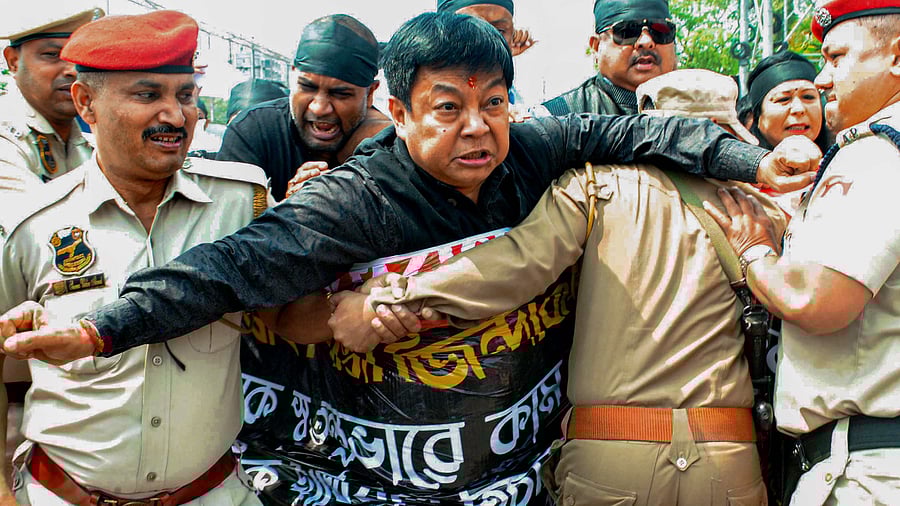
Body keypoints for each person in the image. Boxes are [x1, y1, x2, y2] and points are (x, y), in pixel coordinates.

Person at [2, 11, 816, 503]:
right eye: (448, 108)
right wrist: (102, 330)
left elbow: (636, 130)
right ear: (397, 110)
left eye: (493, 104)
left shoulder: (531, 150)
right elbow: (231, 270)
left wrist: (753, 163)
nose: (477, 130)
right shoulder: (357, 198)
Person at [354, 68, 785, 505]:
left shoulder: (594, 186)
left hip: (611, 455)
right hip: (729, 454)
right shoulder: (765, 208)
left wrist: (398, 295)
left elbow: (514, 266)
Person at [0, 10, 269, 505]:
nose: (175, 115)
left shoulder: (243, 202)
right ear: (87, 103)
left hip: (212, 494)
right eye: (148, 96)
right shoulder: (29, 224)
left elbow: (290, 318)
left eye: (185, 95)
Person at [704, 1, 900, 504]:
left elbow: (816, 299)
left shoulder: (879, 154)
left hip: (867, 472)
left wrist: (755, 253)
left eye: (836, 58)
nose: (825, 78)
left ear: (896, 57)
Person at [216, 14, 392, 201]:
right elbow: (228, 224)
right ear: (293, 77)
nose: (319, 108)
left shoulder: (385, 144)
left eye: (340, 94)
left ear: (370, 94)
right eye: (307, 87)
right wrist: (291, 210)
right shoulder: (254, 130)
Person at [0, 4, 102, 195]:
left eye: (81, 57)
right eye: (52, 55)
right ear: (13, 61)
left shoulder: (91, 143)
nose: (73, 70)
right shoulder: (6, 140)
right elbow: (33, 220)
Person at [539, 0, 677, 116]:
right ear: (596, 46)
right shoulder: (557, 117)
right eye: (627, 31)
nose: (646, 41)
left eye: (660, 30)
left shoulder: (695, 108)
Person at [746, 50, 829, 151]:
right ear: (756, 117)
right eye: (783, 99)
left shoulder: (844, 161)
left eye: (808, 97)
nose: (798, 109)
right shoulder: (734, 166)